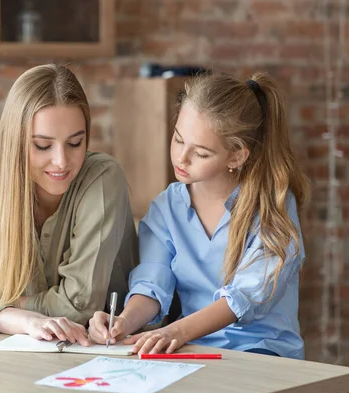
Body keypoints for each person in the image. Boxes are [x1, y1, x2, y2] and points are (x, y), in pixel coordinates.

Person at [88, 72, 310, 359]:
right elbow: (153, 283)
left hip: (263, 352)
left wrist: (176, 331)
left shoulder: (273, 206)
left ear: (236, 156)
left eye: (201, 153)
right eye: (178, 140)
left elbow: (243, 298)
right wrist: (123, 322)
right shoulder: (166, 207)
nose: (181, 158)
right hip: (195, 350)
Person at [0, 64, 138, 345]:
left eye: (75, 143)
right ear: (16, 141)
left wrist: (3, 306)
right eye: (43, 146)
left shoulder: (103, 178)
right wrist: (26, 321)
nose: (61, 161)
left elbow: (79, 304)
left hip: (104, 350)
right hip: (27, 349)